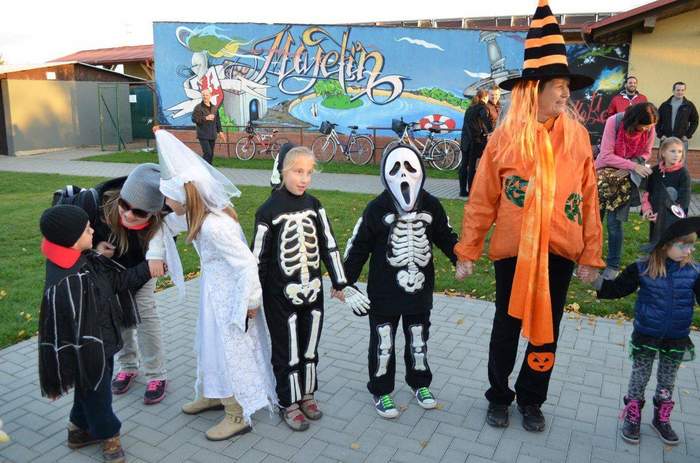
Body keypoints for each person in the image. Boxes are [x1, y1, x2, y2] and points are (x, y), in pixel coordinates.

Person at [454, 0, 605, 432]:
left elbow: (588, 199)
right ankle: (498, 396)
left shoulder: (577, 137)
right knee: (506, 325)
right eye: (558, 85)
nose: (565, 93)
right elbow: (482, 199)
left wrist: (591, 254)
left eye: (567, 86)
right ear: (534, 89)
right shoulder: (505, 139)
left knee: (547, 330)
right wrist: (468, 250)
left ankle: (532, 399)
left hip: (559, 248)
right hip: (514, 250)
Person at [149, 129, 277, 440]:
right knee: (209, 343)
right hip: (214, 293)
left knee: (227, 349)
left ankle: (237, 412)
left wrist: (250, 302)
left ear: (185, 195)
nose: (165, 202)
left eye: (168, 196)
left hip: (231, 297)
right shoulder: (197, 215)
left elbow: (247, 264)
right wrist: (155, 252)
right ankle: (213, 392)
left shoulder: (215, 226)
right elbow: (163, 225)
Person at [342, 144, 458, 419]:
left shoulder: (431, 205)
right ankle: (381, 389)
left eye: (410, 167)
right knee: (383, 342)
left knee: (418, 339)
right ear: (385, 174)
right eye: (396, 168)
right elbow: (358, 246)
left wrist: (460, 259)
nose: (404, 175)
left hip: (420, 290)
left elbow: (446, 236)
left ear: (421, 171)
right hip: (383, 292)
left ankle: (420, 383)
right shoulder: (376, 208)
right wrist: (344, 282)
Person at [38, 205, 155, 463]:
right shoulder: (71, 280)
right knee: (98, 393)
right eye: (86, 229)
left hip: (99, 344)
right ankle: (109, 437)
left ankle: (78, 429)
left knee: (88, 386)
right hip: (91, 350)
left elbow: (113, 282)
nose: (92, 230)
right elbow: (73, 323)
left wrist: (147, 268)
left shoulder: (80, 261)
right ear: (71, 239)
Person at [251, 146, 347, 431]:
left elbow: (329, 244)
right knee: (286, 351)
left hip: (313, 292)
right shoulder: (267, 211)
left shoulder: (315, 206)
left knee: (309, 348)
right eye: (297, 171)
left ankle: (307, 394)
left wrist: (339, 281)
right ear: (283, 171)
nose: (304, 178)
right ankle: (287, 401)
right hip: (279, 297)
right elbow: (257, 258)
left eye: (308, 172)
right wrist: (252, 296)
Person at [63, 165, 170, 404]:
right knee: (117, 315)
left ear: (153, 213)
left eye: (139, 212)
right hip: (110, 271)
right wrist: (95, 249)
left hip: (143, 268)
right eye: (125, 205)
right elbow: (70, 233)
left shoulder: (164, 219)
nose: (129, 215)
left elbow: (165, 251)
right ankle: (128, 366)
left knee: (144, 314)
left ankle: (157, 374)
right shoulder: (98, 205)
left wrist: (156, 260)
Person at [594, 217, 700, 446]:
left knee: (667, 380)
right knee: (640, 376)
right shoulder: (642, 268)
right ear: (665, 245)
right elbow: (617, 289)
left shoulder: (693, 272)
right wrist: (595, 280)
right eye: (683, 245)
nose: (689, 250)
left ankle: (661, 418)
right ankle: (633, 414)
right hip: (647, 335)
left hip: (676, 337)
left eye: (692, 245)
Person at [596, 103, 658, 279]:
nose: (647, 130)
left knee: (614, 224)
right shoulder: (614, 121)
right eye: (644, 126)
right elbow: (606, 155)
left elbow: (646, 153)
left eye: (650, 127)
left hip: (625, 180)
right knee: (594, 223)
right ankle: (589, 261)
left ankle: (613, 265)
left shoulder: (650, 128)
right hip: (602, 178)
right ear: (634, 121)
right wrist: (633, 165)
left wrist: (631, 166)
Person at [641, 137, 690, 246]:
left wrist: (665, 216)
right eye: (672, 151)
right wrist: (647, 209)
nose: (677, 155)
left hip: (674, 220)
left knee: (671, 246)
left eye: (680, 151)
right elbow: (647, 193)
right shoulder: (654, 171)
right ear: (663, 153)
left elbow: (684, 200)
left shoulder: (683, 173)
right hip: (655, 218)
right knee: (655, 244)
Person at [459, 89, 493, 197]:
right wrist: (491, 131)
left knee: (464, 165)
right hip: (474, 140)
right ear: (485, 97)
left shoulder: (470, 108)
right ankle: (471, 190)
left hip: (465, 140)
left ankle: (462, 191)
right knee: (472, 166)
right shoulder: (482, 107)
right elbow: (485, 119)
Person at [656, 82, 699, 156]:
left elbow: (695, 121)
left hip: (681, 139)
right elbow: (657, 120)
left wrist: (687, 135)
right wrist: (660, 134)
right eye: (678, 90)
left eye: (682, 90)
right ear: (673, 91)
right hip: (666, 139)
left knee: (681, 161)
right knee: (663, 160)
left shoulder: (689, 105)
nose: (680, 92)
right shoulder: (665, 105)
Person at [192, 88, 222, 165]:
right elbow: (194, 119)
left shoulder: (214, 108)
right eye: (203, 95)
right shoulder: (198, 107)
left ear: (210, 96)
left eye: (207, 95)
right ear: (201, 96)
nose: (205, 97)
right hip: (203, 134)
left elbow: (217, 120)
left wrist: (220, 131)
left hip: (212, 134)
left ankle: (209, 169)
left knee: (211, 154)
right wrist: (205, 118)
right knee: (207, 153)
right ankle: (202, 168)